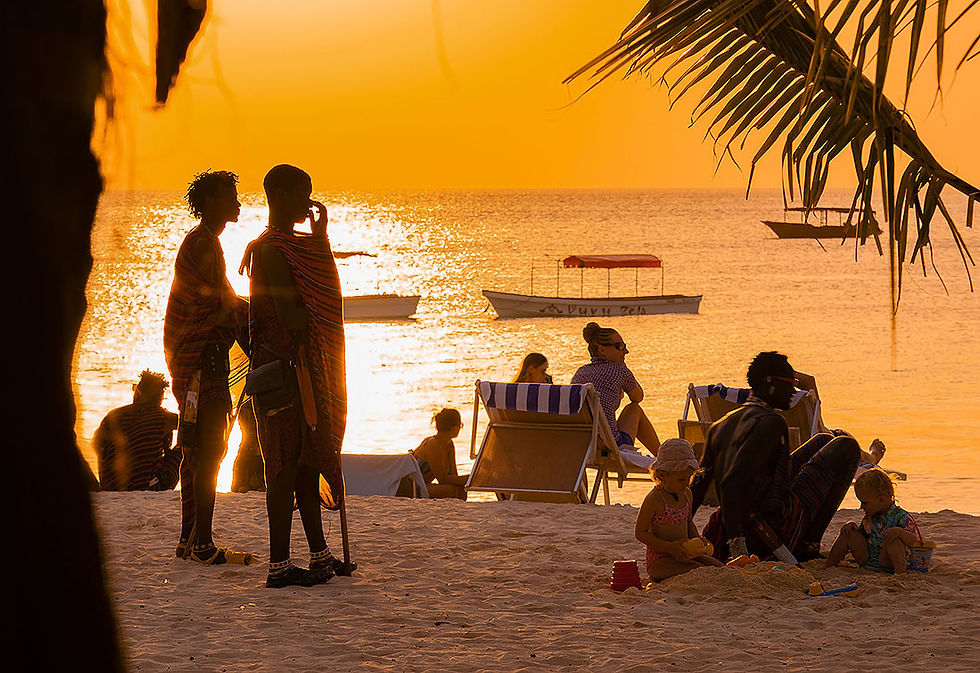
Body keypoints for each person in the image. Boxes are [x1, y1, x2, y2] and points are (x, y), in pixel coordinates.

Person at [240, 164, 349, 588]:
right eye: (303, 194)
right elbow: (289, 315)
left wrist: (320, 239)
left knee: (306, 461)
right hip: (282, 372)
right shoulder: (270, 249)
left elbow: (316, 290)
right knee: (283, 468)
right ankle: (279, 565)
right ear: (281, 195)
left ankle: (319, 554)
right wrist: (316, 314)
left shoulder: (291, 246)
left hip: (299, 369)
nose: (309, 203)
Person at [691, 351, 861, 562]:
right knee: (848, 446)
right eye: (789, 384)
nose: (793, 391)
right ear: (768, 382)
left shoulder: (721, 425)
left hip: (739, 519)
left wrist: (681, 527)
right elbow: (730, 483)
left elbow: (698, 484)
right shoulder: (771, 422)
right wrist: (738, 547)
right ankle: (808, 545)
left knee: (823, 439)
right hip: (768, 527)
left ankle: (803, 543)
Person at [164, 169, 251, 565]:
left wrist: (237, 311)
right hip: (202, 363)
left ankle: (189, 538)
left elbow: (224, 303)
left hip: (200, 360)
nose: (238, 202)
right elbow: (217, 307)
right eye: (231, 196)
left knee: (197, 452)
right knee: (210, 450)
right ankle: (201, 543)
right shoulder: (204, 245)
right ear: (212, 202)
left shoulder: (205, 242)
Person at [635, 439, 725, 581]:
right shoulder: (655, 499)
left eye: (690, 478)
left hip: (685, 553)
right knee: (698, 571)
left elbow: (688, 522)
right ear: (662, 475)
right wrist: (670, 547)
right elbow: (640, 533)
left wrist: (697, 540)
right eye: (681, 479)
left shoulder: (686, 494)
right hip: (661, 560)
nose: (687, 483)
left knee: (719, 568)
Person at [571, 322, 660, 454]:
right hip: (611, 446)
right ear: (602, 350)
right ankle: (662, 457)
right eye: (620, 346)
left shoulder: (580, 373)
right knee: (634, 408)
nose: (626, 351)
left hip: (583, 447)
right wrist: (626, 373)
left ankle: (663, 457)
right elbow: (638, 397)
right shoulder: (619, 370)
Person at [94, 370, 180, 491]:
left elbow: (96, 445)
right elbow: (193, 425)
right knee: (186, 443)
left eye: (134, 388)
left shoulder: (114, 415)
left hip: (110, 486)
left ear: (138, 393)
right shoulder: (165, 418)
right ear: (160, 399)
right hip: (148, 487)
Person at [824, 469, 919, 574]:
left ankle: (900, 574)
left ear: (881, 500)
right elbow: (864, 536)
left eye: (865, 503)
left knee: (893, 539)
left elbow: (913, 540)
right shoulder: (870, 516)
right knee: (848, 533)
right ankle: (828, 566)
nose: (861, 507)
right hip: (868, 560)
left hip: (887, 563)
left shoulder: (901, 516)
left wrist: (900, 532)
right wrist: (853, 528)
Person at [410, 408, 469, 500]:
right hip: (412, 487)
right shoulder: (433, 444)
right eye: (460, 425)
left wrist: (472, 478)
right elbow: (442, 479)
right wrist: (470, 478)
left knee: (461, 490)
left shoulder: (449, 445)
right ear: (454, 428)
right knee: (453, 491)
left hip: (424, 485)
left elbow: (453, 475)